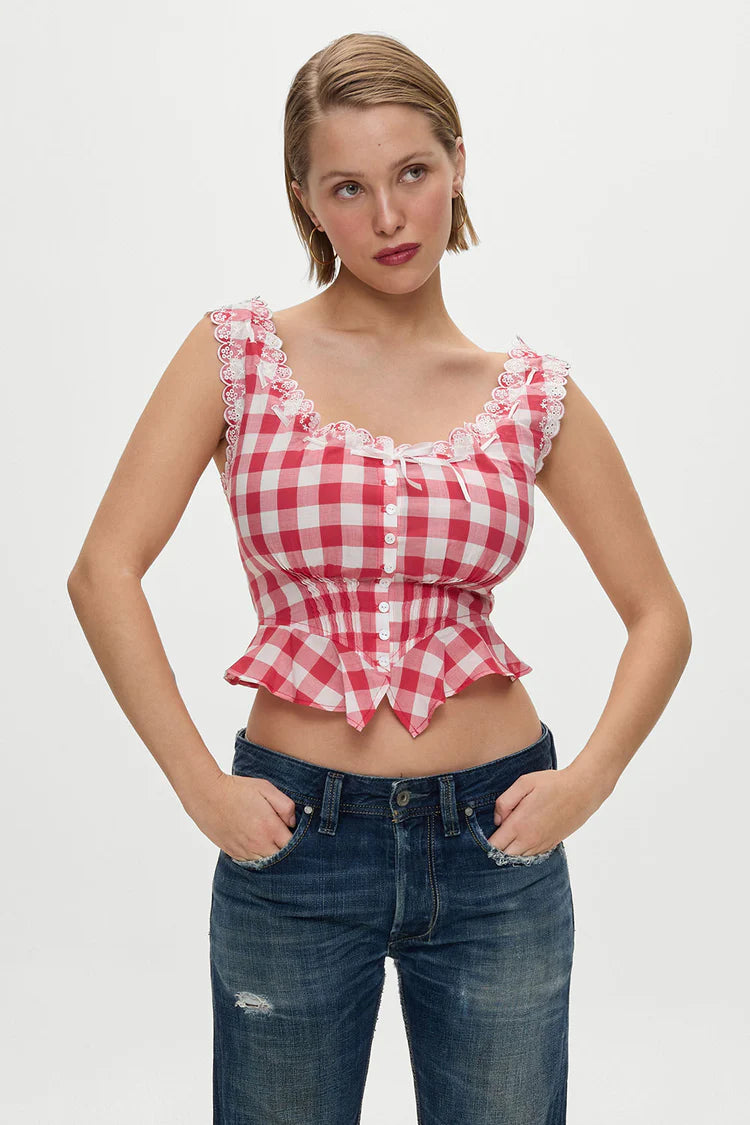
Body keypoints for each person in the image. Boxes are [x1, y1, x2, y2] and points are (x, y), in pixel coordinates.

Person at [67, 31, 692, 1125]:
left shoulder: (529, 394)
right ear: (307, 201)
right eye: (348, 188)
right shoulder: (238, 356)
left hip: (497, 844)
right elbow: (102, 570)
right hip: (294, 841)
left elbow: (660, 617)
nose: (391, 217)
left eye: (413, 172)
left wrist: (585, 783)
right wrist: (200, 787)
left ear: (458, 165)